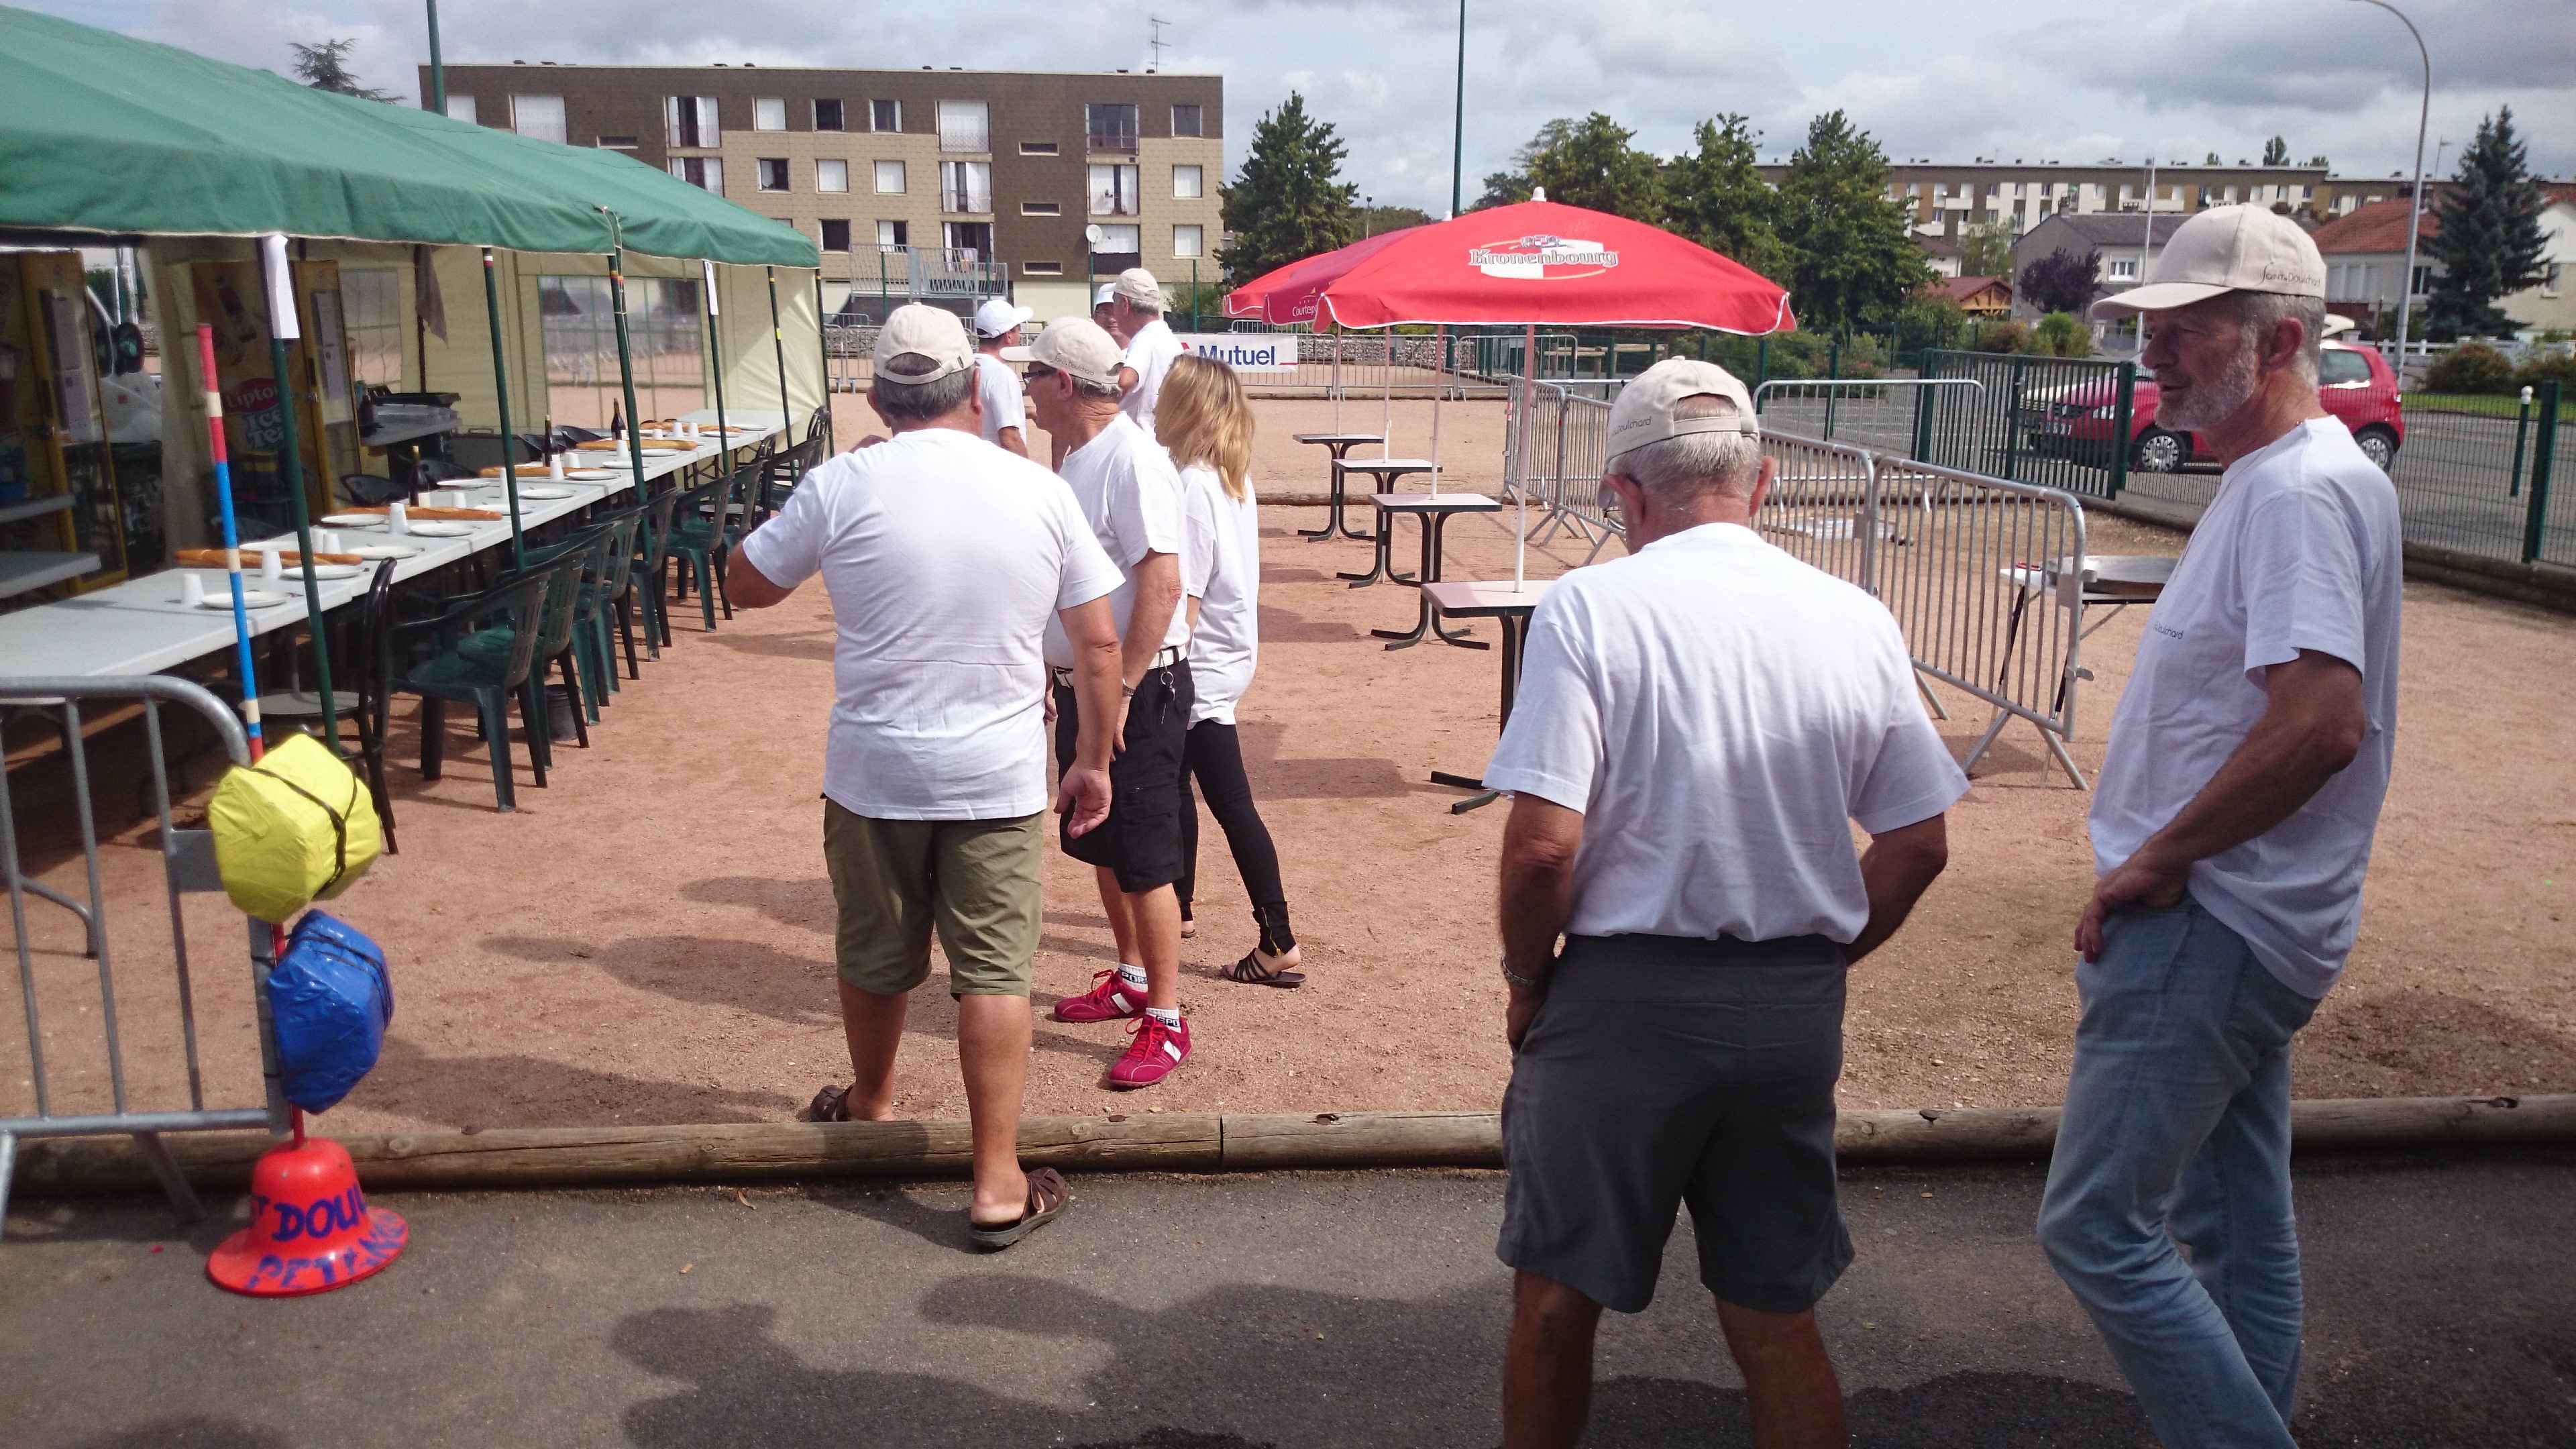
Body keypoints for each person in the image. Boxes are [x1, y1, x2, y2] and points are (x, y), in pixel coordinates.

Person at [1481, 358, 1964, 1449]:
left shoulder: (1592, 608)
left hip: (1625, 1001)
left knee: (1556, 1296)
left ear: (1626, 492)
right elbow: (1918, 841)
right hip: (1788, 1007)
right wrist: (1823, 959)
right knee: (1775, 1311)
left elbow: (1543, 850)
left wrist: (1525, 980)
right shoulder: (1854, 615)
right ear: (1763, 480)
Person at [2037, 205, 2402, 1449]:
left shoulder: (2298, 493)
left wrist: (2159, 857)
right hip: (2252, 917)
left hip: (2211, 920)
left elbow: (2320, 724)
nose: (2154, 355)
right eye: (2154, 331)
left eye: (2186, 331)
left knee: (2096, 1225)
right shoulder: (2296, 480)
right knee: (2234, 1224)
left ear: (2279, 340)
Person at [727, 304, 1126, 1250]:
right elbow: (1098, 642)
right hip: (995, 771)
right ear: (975, 388)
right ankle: (995, 1178)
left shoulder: (842, 483)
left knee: (875, 953)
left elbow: (745, 584)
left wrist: (815, 503)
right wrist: (1092, 757)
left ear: (877, 396)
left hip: (875, 767)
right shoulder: (1037, 489)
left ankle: (873, 1101)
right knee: (995, 972)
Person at [1007, 317, 1199, 1089]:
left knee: (1145, 859)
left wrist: (1120, 690)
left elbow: (1164, 582)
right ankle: (1132, 977)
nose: (1024, 391)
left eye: (1031, 377)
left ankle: (1169, 1017)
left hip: (1135, 690)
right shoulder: (1081, 459)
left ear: (1062, 383)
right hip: (1092, 686)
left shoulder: (1132, 459)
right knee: (1101, 838)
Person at [1156, 354, 1301, 986]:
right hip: (1227, 654)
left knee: (1229, 802)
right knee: (1177, 784)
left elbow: (1183, 597)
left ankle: (1278, 939)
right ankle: (1180, 905)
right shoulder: (1230, 478)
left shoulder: (1192, 484)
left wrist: (1148, 668)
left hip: (1201, 663)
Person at [1112, 268, 1185, 437]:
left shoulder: (1144, 339)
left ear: (1125, 304)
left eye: (1114, 302)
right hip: (1164, 440)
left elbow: (1125, 380)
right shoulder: (1170, 339)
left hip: (1139, 440)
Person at [970, 297, 1034, 459]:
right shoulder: (1001, 374)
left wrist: (1028, 411)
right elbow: (1009, 437)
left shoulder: (969, 367)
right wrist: (1029, 470)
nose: (1020, 335)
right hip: (999, 465)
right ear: (1009, 336)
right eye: (1018, 329)